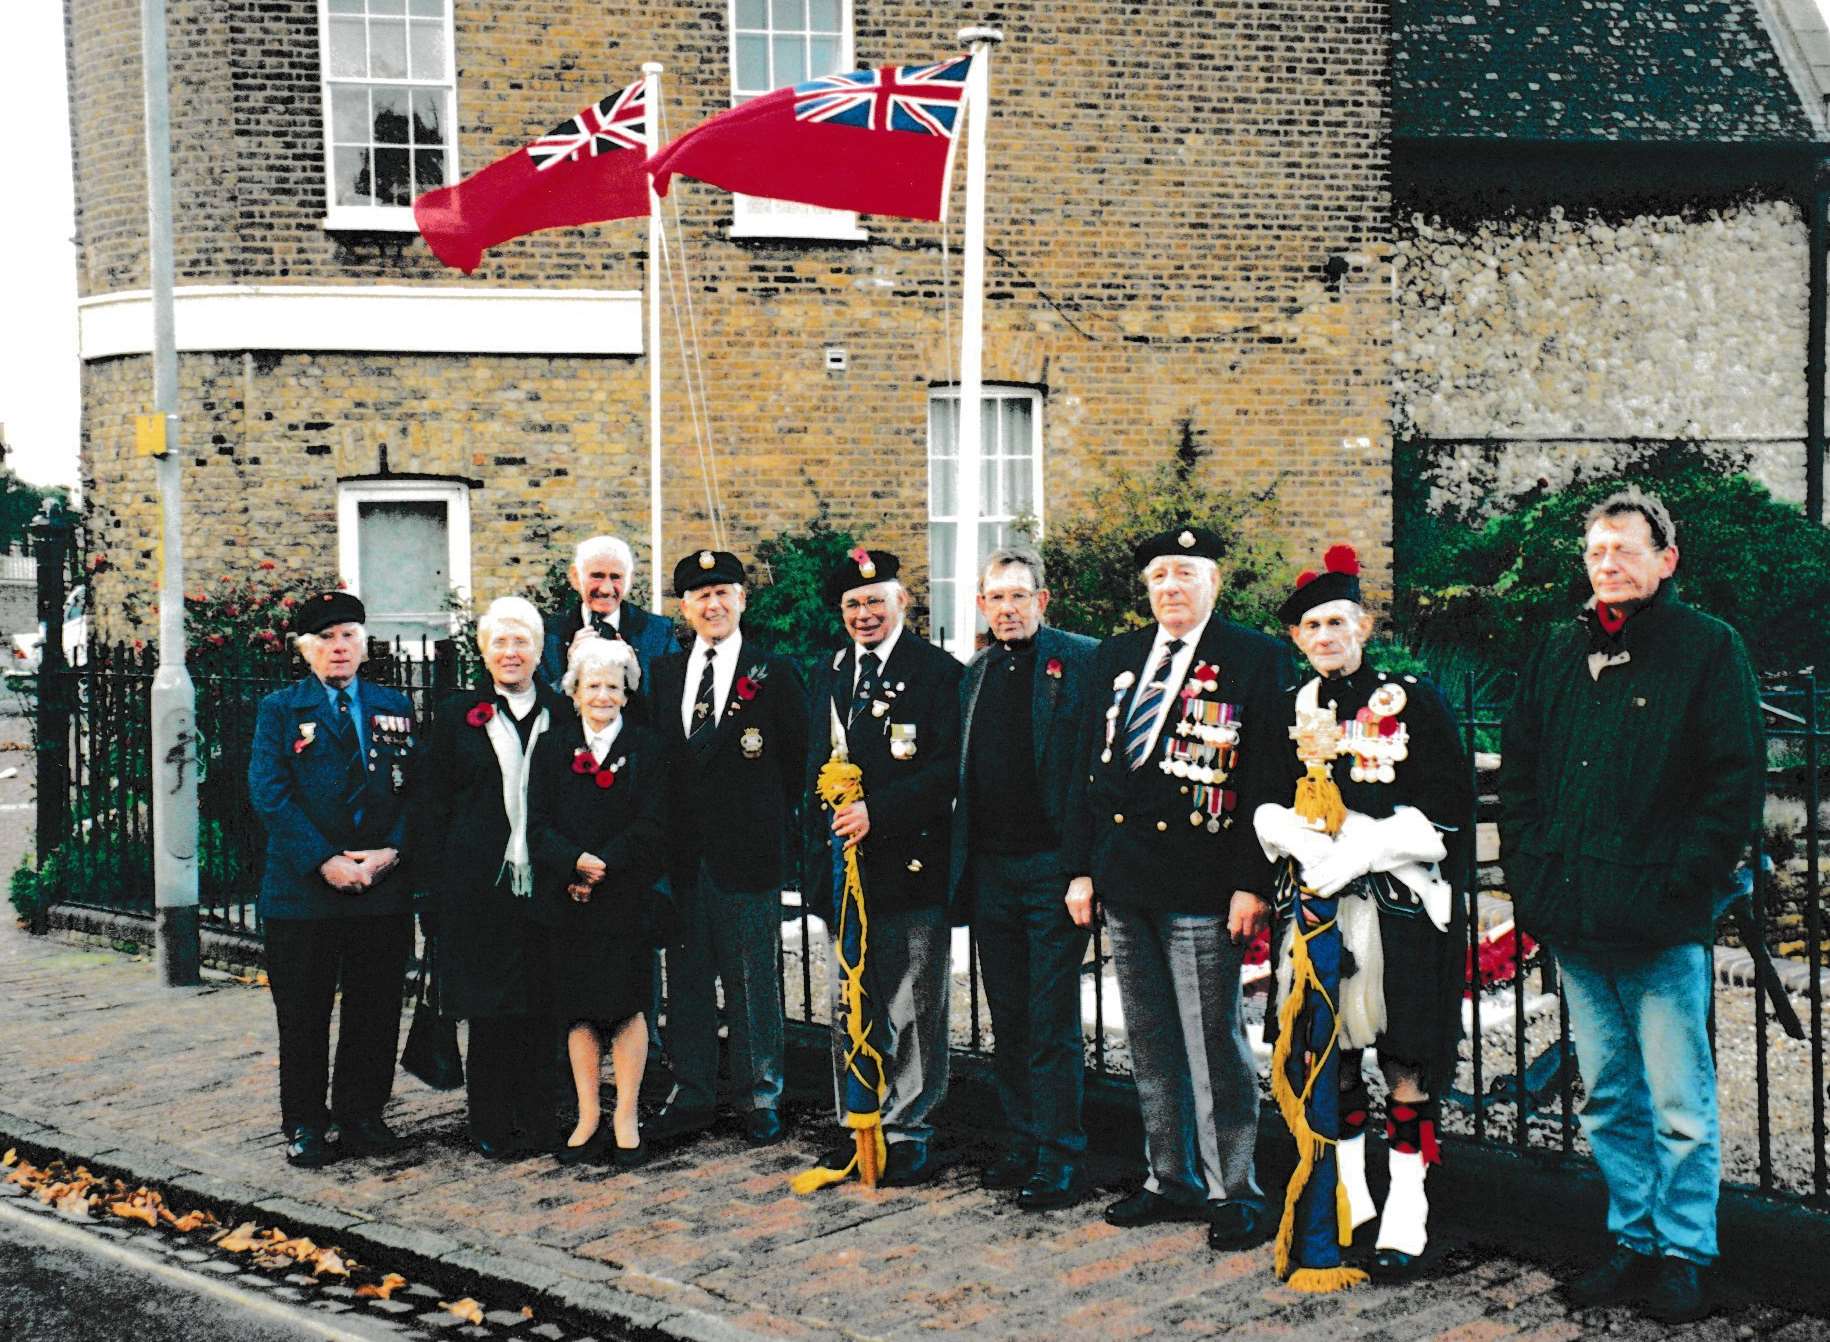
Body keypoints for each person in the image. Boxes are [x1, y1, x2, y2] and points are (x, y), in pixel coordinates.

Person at [1500, 487, 1762, 1324]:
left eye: (1624, 549)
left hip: (1658, 922)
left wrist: (1681, 885)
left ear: (1666, 559)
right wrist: (1534, 875)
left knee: (1680, 1099)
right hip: (1576, 916)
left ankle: (1686, 1251)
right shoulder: (1555, 648)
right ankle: (1633, 1237)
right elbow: (1523, 774)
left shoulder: (1707, 650)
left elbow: (1732, 785)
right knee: (1610, 1094)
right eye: (1595, 552)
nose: (1606, 565)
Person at [1062, 525, 1286, 1251]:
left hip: (1205, 882)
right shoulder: (1120, 656)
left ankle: (1235, 1189)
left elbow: (1263, 781)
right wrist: (1083, 866)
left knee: (1213, 1044)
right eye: (1159, 575)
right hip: (1127, 879)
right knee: (1152, 1040)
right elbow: (1087, 771)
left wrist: (1252, 883)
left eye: (1186, 574)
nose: (1171, 588)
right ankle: (1170, 1178)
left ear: (1213, 583)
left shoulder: (1252, 657)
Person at [1254, 545, 1471, 1286]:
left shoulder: (1410, 698)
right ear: (1296, 637)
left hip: (1396, 905)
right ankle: (1351, 1202)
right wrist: (1286, 832)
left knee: (1405, 1056)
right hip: (1320, 908)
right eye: (1311, 625)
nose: (1325, 636)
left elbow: (1448, 810)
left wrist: (1369, 845)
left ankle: (1406, 1212)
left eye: (1337, 622)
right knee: (1331, 1055)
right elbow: (1265, 795)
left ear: (1364, 624)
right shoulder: (1292, 707)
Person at [800, 548, 962, 1188]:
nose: (864, 614)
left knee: (915, 997)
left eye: (875, 601)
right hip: (847, 868)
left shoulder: (936, 672)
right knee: (854, 994)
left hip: (909, 858)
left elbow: (947, 770)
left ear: (902, 603)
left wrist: (879, 813)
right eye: (852, 605)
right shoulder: (832, 671)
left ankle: (910, 1126)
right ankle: (860, 1119)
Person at [949, 546, 1098, 1210]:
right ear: (981, 606)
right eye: (995, 598)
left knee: (1049, 1017)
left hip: (1053, 871)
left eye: (1018, 595)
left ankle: (1061, 1154)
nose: (1006, 608)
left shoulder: (1082, 663)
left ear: (1042, 600)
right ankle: (1023, 1139)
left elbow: (1095, 773)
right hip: (991, 871)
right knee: (1008, 1015)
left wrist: (1082, 869)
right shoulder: (974, 674)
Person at [248, 591, 415, 1168]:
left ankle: (363, 1114)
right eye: (324, 638)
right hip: (303, 892)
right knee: (303, 1014)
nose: (337, 648)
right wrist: (326, 861)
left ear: (364, 644)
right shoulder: (280, 709)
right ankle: (304, 1123)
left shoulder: (394, 704)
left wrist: (390, 852)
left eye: (347, 635)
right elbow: (269, 793)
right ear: (305, 650)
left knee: (375, 1009)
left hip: (380, 886)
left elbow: (415, 790)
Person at [648, 549, 807, 1147]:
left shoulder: (774, 671)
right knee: (686, 981)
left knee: (752, 983)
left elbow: (796, 767)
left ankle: (759, 1093)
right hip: (682, 860)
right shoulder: (664, 675)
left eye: (723, 592)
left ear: (743, 598)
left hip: (748, 857)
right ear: (684, 607)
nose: (712, 605)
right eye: (699, 596)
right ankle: (692, 1092)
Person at [414, 596, 567, 1160]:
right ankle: (490, 1119)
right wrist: (430, 890)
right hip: (478, 886)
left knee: (543, 1004)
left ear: (539, 650)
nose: (511, 652)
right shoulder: (458, 715)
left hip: (547, 883)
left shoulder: (563, 710)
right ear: (483, 651)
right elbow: (431, 806)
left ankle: (541, 1114)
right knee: (490, 1009)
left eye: (521, 641)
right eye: (500, 642)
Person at [527, 636, 665, 1168]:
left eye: (612, 686)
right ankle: (588, 1115)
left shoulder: (648, 748)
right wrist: (573, 863)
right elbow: (536, 822)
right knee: (579, 1008)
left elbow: (655, 822)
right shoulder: (553, 745)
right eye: (592, 686)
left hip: (625, 896)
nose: (602, 695)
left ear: (626, 694)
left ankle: (625, 1114)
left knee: (627, 1006)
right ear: (575, 692)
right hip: (571, 896)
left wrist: (605, 864)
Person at [538, 534, 678, 697]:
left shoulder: (658, 632)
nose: (606, 589)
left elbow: (672, 705)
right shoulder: (549, 635)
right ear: (576, 577)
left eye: (615, 577)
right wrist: (570, 674)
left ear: (629, 579)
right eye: (597, 576)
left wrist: (636, 679)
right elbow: (541, 709)